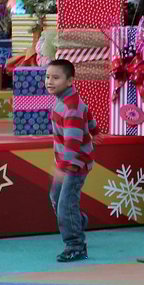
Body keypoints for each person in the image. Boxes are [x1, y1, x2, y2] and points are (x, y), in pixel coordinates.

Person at [46, 59, 93, 262]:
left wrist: (64, 168)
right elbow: (87, 111)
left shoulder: (70, 107)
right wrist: (94, 129)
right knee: (56, 197)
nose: (49, 81)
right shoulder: (66, 100)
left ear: (69, 80)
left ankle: (75, 245)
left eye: (56, 78)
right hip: (65, 163)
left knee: (65, 204)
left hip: (74, 164)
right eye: (48, 77)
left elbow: (73, 142)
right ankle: (77, 221)